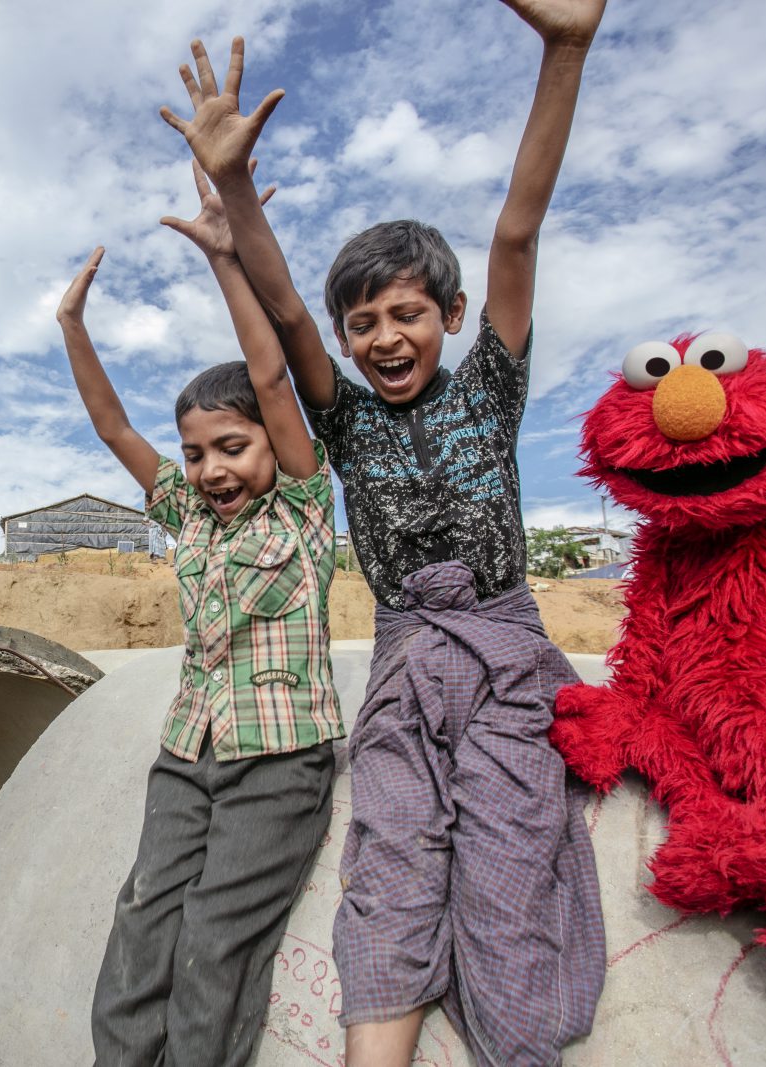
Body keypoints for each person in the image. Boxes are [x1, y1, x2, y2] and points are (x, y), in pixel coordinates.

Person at [159, 4, 608, 1064]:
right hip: (406, 665)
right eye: (364, 323)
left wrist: (565, 52)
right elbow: (287, 324)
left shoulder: (489, 387)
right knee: (392, 861)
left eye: (404, 313)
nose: (382, 336)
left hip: (503, 660)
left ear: (450, 318)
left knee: (508, 859)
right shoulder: (346, 418)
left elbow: (515, 229)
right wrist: (232, 190)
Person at [62, 164, 344, 1067]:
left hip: (278, 759)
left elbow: (269, 368)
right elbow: (112, 428)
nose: (213, 468)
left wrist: (228, 257)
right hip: (188, 754)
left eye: (233, 445)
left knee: (216, 940)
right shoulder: (184, 512)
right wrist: (72, 329)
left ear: (271, 437)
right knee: (143, 916)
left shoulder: (301, 506)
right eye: (196, 453)